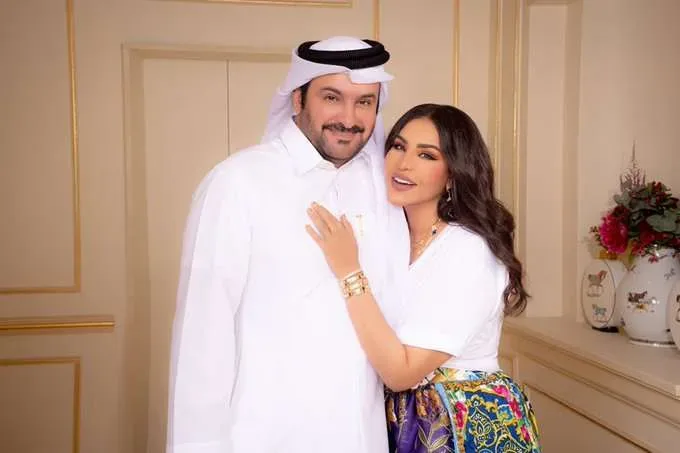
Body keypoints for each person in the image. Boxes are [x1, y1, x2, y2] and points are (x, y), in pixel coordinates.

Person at [165, 36, 409, 453]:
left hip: (360, 437)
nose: (349, 118)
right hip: (261, 437)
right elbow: (201, 339)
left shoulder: (385, 190)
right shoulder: (237, 183)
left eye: (364, 102)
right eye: (332, 98)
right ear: (298, 98)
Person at [306, 103, 542, 452]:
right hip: (403, 422)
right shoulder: (391, 238)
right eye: (398, 147)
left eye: (427, 155)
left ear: (453, 174)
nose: (404, 164)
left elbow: (402, 372)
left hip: (464, 425)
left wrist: (348, 270)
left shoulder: (468, 250)